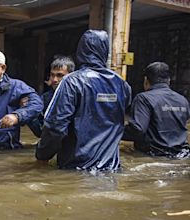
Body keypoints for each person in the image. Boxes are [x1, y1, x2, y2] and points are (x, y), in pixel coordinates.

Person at [35, 30, 132, 171]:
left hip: (75, 168)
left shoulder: (72, 82)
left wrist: (42, 155)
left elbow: (55, 126)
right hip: (111, 168)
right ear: (105, 51)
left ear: (80, 51)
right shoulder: (122, 84)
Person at [122, 62, 190, 158]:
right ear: (169, 80)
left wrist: (114, 131)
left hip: (154, 154)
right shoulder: (183, 100)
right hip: (182, 154)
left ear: (146, 80)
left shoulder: (143, 98)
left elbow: (138, 130)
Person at [27, 55, 75, 137]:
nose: (55, 80)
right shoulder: (46, 98)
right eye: (52, 75)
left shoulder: (80, 97)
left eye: (60, 75)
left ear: (71, 76)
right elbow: (40, 132)